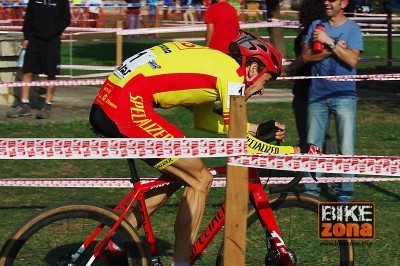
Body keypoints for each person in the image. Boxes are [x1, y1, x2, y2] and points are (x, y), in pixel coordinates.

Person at [90, 30, 320, 265]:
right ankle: (179, 262)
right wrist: (293, 153)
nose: (262, 89)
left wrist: (257, 128)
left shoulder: (218, 65)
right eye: (267, 80)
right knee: (199, 179)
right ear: (253, 69)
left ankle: (115, 246)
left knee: (180, 174)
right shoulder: (233, 76)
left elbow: (204, 121)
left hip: (113, 100)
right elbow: (238, 141)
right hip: (125, 106)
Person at [300, 0, 363, 202]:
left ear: (343, 3)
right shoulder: (316, 26)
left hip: (344, 95)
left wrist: (330, 42)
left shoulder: (353, 29)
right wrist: (333, 47)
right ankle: (311, 187)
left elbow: (352, 60)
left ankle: (345, 191)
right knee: (313, 144)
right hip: (317, 94)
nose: (326, 2)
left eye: (332, 0)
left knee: (346, 146)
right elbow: (307, 56)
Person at [6, 0, 71, 119]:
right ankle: (24, 105)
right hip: (34, 40)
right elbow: (29, 18)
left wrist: (53, 30)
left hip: (52, 41)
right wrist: (27, 37)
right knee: (27, 70)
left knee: (51, 73)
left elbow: (66, 19)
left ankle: (47, 105)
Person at [285, 0, 325, 146]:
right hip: (316, 89)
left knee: (309, 139)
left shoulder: (309, 34)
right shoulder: (324, 32)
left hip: (305, 91)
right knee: (320, 136)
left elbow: (305, 57)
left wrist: (290, 69)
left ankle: (311, 167)